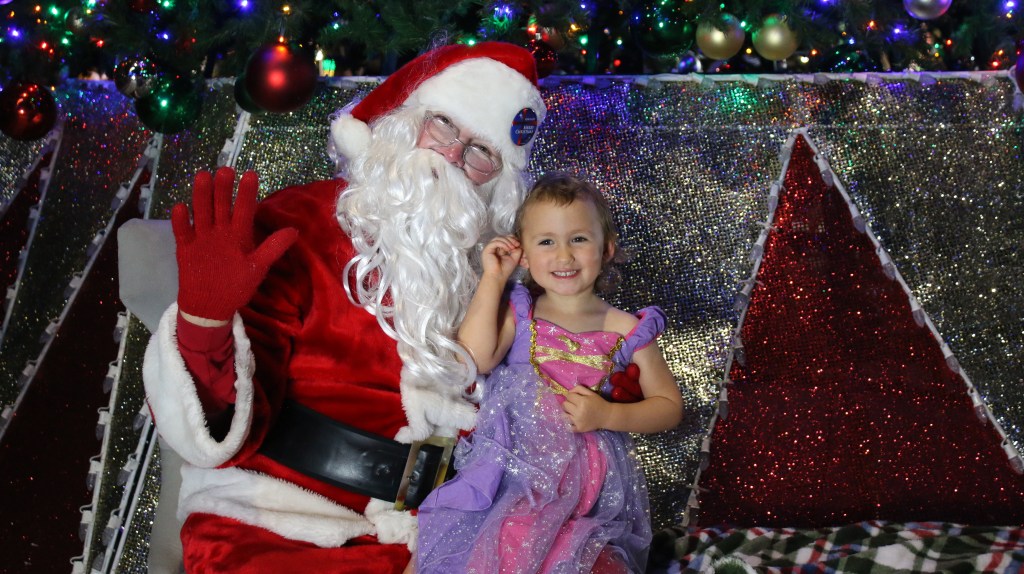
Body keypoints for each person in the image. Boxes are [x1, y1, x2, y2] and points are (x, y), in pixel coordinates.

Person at [141, 41, 547, 573]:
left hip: (441, 533)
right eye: (444, 124)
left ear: (498, 183)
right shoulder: (299, 223)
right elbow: (219, 427)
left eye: (480, 152)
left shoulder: (497, 271)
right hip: (279, 519)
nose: (451, 155)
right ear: (403, 123)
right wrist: (204, 322)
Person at [415, 173, 684, 573]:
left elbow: (669, 406)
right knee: (491, 544)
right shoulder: (521, 310)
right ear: (522, 254)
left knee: (575, 556)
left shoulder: (627, 329)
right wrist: (494, 278)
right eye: (546, 242)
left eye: (579, 239)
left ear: (606, 248)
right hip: (512, 475)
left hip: (582, 490)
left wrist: (608, 415)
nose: (564, 256)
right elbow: (475, 358)